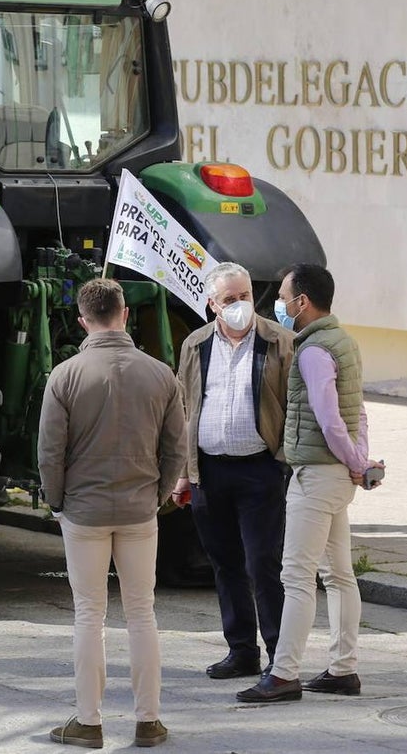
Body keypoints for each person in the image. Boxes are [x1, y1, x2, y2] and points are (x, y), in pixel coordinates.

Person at [38, 278, 186, 749]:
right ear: (125, 314)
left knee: (90, 615)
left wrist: (58, 501)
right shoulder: (162, 375)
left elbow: (49, 453)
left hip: (83, 511)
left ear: (84, 320)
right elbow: (175, 450)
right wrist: (157, 495)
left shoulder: (64, 375)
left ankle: (89, 721)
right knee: (142, 614)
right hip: (140, 510)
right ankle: (149, 721)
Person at [237, 263, 383, 704]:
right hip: (335, 476)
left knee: (296, 576)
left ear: (303, 302)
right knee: (339, 575)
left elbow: (330, 419)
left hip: (317, 476)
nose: (279, 304)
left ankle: (283, 674)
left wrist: (356, 461)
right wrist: (359, 462)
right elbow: (357, 412)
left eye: (283, 296)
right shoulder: (344, 342)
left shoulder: (314, 351)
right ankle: (343, 669)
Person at [174, 262, 293, 680]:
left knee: (263, 564)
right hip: (209, 471)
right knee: (224, 564)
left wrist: (287, 462)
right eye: (229, 299)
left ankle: (281, 656)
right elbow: (184, 408)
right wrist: (184, 472)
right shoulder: (195, 344)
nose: (240, 305)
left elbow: (296, 406)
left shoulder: (280, 341)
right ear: (212, 304)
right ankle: (242, 650)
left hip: (261, 471)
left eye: (244, 296)